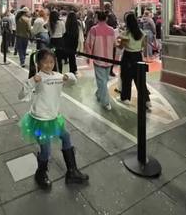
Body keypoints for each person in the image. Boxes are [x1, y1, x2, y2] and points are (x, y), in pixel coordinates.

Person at [19, 49, 89, 189]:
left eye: (51, 62)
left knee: (66, 137)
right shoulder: (38, 78)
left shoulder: (57, 76)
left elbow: (73, 82)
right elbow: (21, 95)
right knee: (46, 150)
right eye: (45, 62)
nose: (48, 65)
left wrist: (68, 77)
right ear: (39, 63)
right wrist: (32, 81)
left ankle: (72, 172)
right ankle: (40, 174)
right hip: (39, 121)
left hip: (54, 118)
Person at [117, 12, 151, 108]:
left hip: (127, 56)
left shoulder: (125, 34)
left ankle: (125, 98)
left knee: (126, 78)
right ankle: (147, 101)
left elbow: (120, 47)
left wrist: (116, 44)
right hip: (138, 57)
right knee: (140, 80)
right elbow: (143, 46)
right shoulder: (141, 33)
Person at [85, 12, 115, 110]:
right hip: (109, 59)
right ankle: (105, 101)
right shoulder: (112, 30)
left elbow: (88, 44)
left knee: (102, 81)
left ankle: (101, 96)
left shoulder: (94, 30)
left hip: (98, 59)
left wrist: (89, 57)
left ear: (97, 18)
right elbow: (115, 44)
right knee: (104, 80)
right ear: (106, 19)